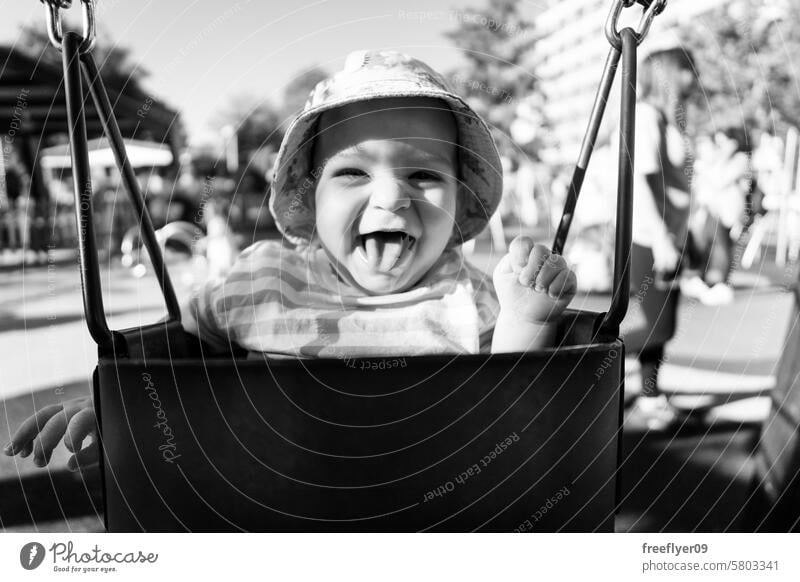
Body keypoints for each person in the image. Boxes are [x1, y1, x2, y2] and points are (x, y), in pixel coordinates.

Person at [4, 50, 577, 470]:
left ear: (459, 200)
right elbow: (173, 361)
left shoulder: (470, 296)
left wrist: (526, 320)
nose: (391, 198)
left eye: (423, 174)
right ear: (310, 197)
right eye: (353, 172)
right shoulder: (264, 280)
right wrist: (116, 407)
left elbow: (513, 408)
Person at [622, 46, 698, 430]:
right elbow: (643, 181)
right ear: (670, 74)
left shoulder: (670, 121)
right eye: (687, 70)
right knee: (655, 325)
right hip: (653, 239)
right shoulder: (649, 117)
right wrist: (663, 239)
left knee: (660, 324)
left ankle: (650, 396)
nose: (693, 78)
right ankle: (580, 366)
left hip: (670, 236)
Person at [682, 125, 756, 305]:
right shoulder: (724, 158)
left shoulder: (740, 159)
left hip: (729, 211)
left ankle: (721, 282)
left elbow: (719, 179)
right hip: (714, 208)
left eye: (725, 141)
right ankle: (710, 280)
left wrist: (717, 160)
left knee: (722, 245)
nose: (721, 145)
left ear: (735, 142)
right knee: (710, 243)